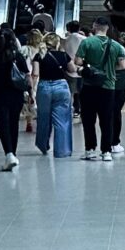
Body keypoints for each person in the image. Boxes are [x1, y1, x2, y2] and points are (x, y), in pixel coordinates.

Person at [76, 19, 125, 159]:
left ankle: (90, 150)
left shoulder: (87, 42)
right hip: (109, 87)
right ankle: (106, 152)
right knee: (107, 120)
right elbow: (123, 66)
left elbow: (78, 62)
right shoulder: (117, 46)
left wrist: (91, 68)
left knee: (88, 120)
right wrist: (109, 70)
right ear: (107, 28)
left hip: (89, 86)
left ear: (94, 27)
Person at [0, 24, 30, 170]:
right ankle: (12, 153)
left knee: (3, 124)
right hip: (16, 95)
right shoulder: (17, 55)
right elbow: (26, 75)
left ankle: (9, 154)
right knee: (14, 124)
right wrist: (31, 92)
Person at [34, 29, 76, 157]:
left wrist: (32, 90)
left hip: (44, 87)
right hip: (61, 87)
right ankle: (62, 151)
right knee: (62, 120)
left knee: (43, 118)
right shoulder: (64, 56)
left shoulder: (39, 55)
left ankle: (43, 145)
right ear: (57, 43)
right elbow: (73, 69)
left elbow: (35, 73)